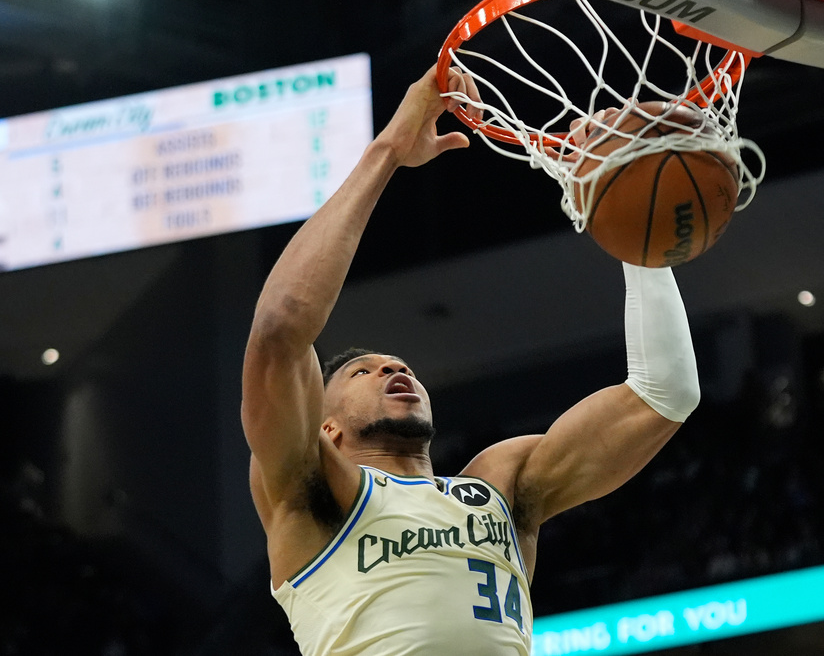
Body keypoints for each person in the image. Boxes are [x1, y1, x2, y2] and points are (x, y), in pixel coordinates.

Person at [240, 64, 700, 655]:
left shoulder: (500, 485)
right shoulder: (312, 488)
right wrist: (387, 152)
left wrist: (636, 229)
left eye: (400, 366)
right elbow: (281, 328)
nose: (394, 370)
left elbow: (665, 394)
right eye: (363, 371)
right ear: (325, 427)